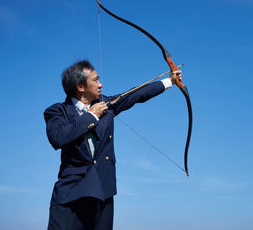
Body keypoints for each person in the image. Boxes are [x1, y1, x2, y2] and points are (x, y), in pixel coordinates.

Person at [44, 60, 181, 230]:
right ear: (80, 87)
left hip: (103, 192)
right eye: (95, 80)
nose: (100, 84)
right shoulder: (57, 111)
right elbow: (58, 138)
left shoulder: (106, 104)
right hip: (71, 195)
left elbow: (134, 94)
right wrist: (91, 116)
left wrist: (170, 82)